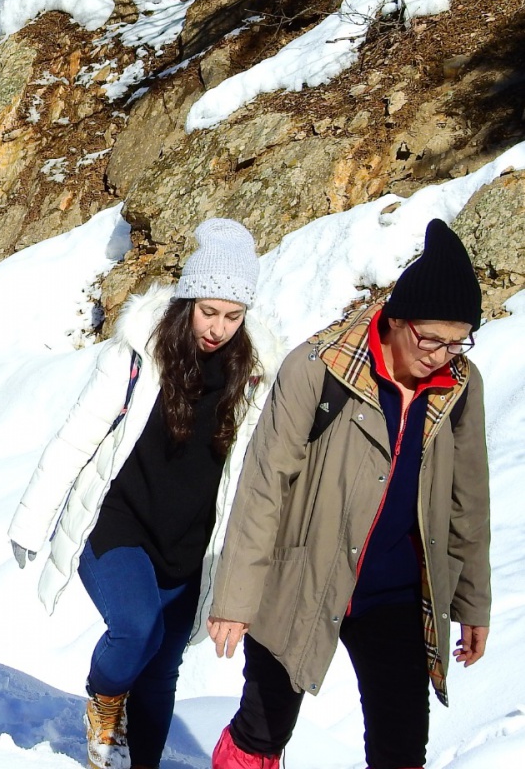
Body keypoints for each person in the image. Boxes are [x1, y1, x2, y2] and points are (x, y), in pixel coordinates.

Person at [206, 218, 490, 769]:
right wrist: (236, 599)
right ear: (396, 322)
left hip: (396, 593)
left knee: (401, 748)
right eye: (430, 339)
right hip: (302, 578)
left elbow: (468, 497)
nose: (441, 356)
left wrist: (472, 601)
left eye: (458, 342)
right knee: (263, 733)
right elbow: (264, 486)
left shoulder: (461, 383)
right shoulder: (319, 369)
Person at [9, 219, 280, 769]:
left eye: (233, 316)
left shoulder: (253, 376)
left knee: (162, 671)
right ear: (187, 301)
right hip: (117, 523)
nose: (219, 328)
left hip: (190, 544)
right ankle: (106, 702)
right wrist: (30, 523)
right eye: (209, 311)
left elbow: (255, 473)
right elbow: (75, 438)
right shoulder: (138, 353)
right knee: (136, 629)